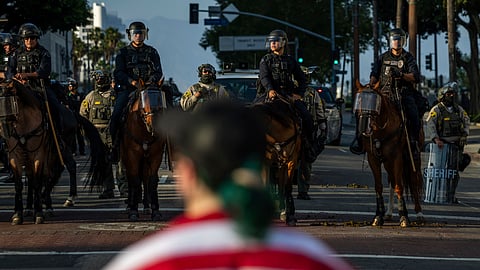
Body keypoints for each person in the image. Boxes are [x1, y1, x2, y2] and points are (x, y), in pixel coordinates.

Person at [103, 101, 353, 270]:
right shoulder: (312, 258)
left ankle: (307, 146)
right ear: (258, 164)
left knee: (301, 117)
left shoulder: (146, 261)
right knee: (119, 115)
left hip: (285, 96)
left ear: (186, 174)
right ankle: (116, 145)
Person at [351, 28, 422, 158]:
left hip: (403, 93)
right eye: (394, 40)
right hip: (383, 92)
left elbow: (416, 77)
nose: (397, 42)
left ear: (403, 41)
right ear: (390, 41)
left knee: (413, 113)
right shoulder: (383, 57)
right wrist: (371, 85)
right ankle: (360, 139)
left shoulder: (408, 58)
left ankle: (413, 143)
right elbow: (374, 74)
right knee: (362, 110)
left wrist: (401, 75)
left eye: (399, 39)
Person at [257, 29, 316, 162]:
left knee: (306, 117)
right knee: (254, 113)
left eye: (276, 41)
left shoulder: (291, 61)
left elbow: (302, 79)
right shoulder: (265, 60)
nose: (273, 43)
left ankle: (308, 148)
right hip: (269, 94)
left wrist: (298, 94)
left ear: (283, 42)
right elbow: (264, 77)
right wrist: (270, 89)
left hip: (288, 96)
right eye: (271, 41)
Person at [110, 21, 164, 162]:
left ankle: (170, 145)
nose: (138, 36)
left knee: (167, 107)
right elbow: (118, 73)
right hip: (130, 89)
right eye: (135, 33)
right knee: (116, 114)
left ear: (145, 34)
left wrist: (150, 81)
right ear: (130, 35)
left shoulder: (152, 52)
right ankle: (114, 147)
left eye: (141, 33)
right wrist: (132, 82)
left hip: (149, 89)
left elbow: (158, 71)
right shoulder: (122, 52)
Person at [6, 23, 64, 138]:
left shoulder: (44, 53)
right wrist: (15, 79)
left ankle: (58, 134)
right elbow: (9, 71)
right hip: (19, 87)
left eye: (32, 38)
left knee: (55, 106)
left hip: (39, 88)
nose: (29, 41)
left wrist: (25, 75)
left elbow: (43, 72)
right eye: (26, 38)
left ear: (36, 38)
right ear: (23, 40)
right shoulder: (16, 53)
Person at [80, 70, 117, 199]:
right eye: (97, 80)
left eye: (101, 79)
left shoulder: (115, 95)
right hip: (97, 134)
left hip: (113, 132)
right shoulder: (91, 96)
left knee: (120, 162)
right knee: (103, 162)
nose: (99, 82)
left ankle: (126, 189)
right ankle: (108, 189)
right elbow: (83, 114)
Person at [297, 67, 328, 200]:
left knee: (306, 161)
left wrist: (322, 126)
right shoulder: (290, 92)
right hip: (293, 130)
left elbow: (319, 110)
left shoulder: (312, 93)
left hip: (308, 132)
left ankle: (303, 190)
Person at [425, 82, 470, 172]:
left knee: (455, 169)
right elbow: (430, 124)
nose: (451, 96)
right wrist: (436, 139)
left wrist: (464, 134)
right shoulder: (436, 109)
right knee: (440, 170)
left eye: (452, 94)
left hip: (456, 146)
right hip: (441, 145)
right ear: (442, 96)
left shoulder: (458, 109)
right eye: (448, 94)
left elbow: (466, 121)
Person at [65, 78, 85, 156]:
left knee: (80, 135)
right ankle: (73, 151)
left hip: (78, 117)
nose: (70, 87)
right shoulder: (67, 96)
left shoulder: (80, 95)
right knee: (72, 136)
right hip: (71, 117)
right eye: (69, 86)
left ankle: (82, 150)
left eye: (72, 86)